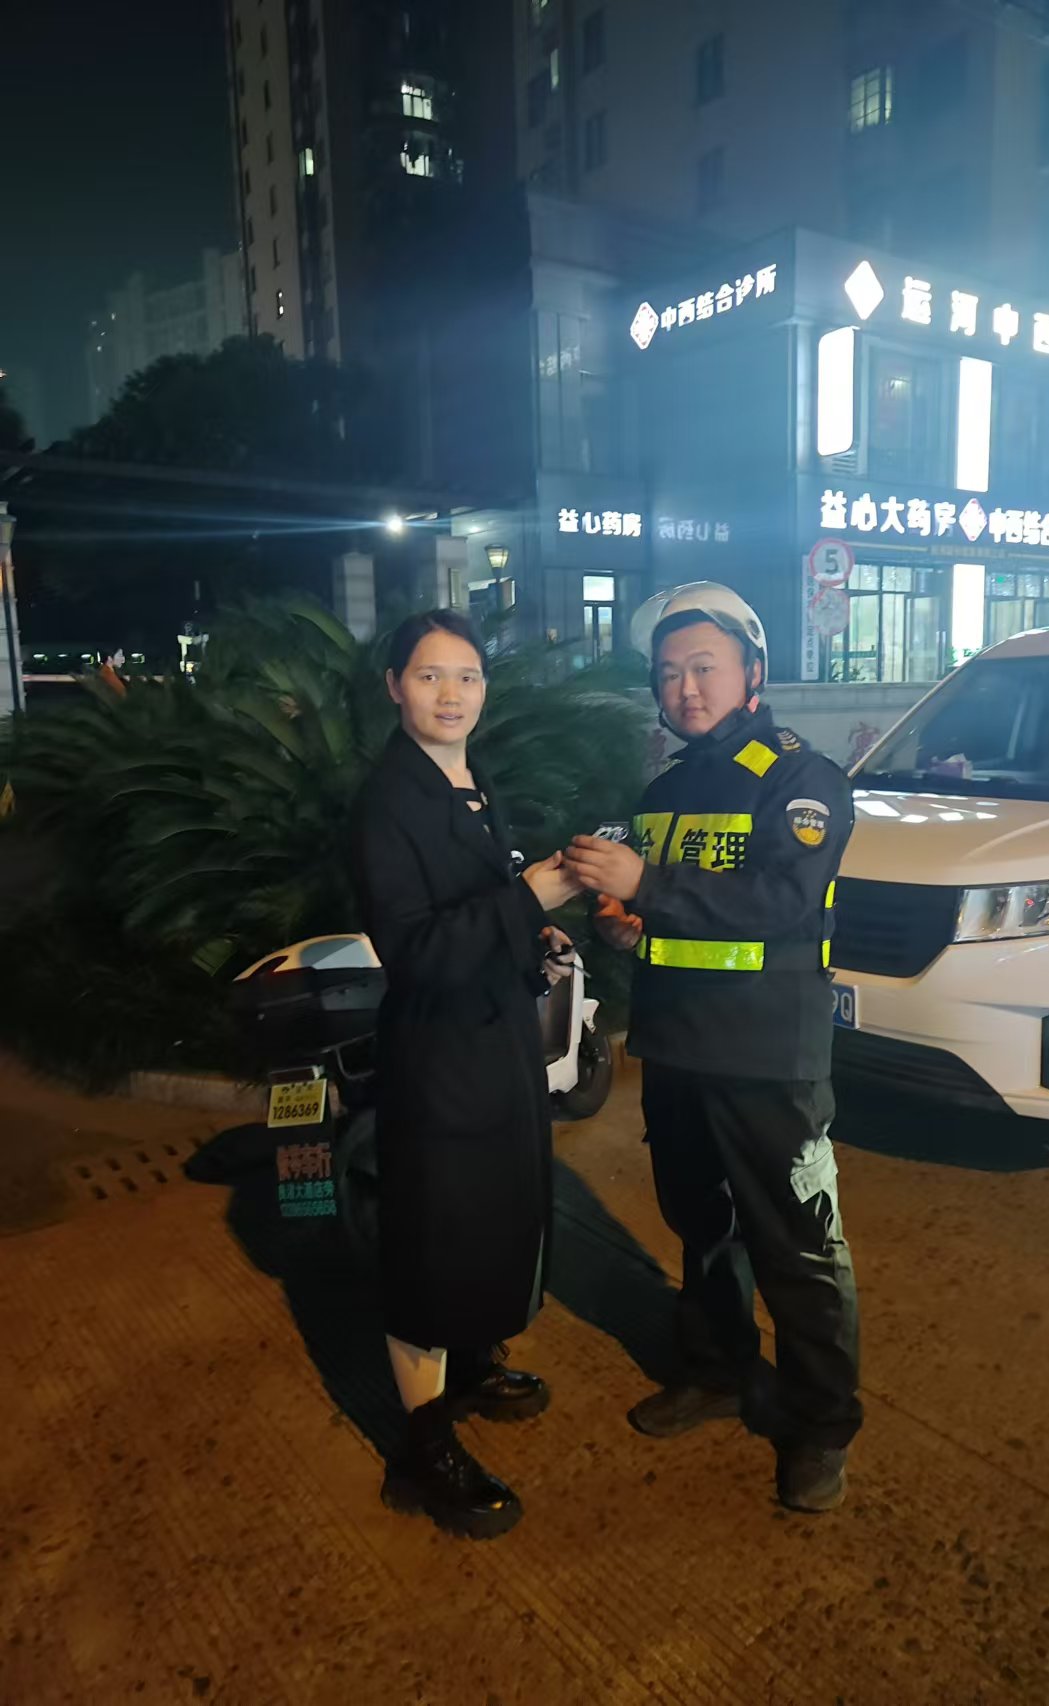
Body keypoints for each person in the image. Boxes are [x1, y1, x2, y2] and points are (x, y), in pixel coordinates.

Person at [565, 582, 861, 1514]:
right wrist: (625, 925)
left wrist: (647, 883)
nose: (685, 688)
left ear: (751, 673)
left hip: (768, 1054)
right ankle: (719, 1369)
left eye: (704, 667)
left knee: (798, 1250)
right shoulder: (663, 792)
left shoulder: (800, 779)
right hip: (677, 1047)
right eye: (667, 673)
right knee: (703, 1231)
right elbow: (668, 915)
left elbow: (780, 901)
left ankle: (820, 1425)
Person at [350, 610, 580, 1538]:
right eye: (430, 676)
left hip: (498, 1044)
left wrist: (538, 930)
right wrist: (527, 898)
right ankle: (422, 1445)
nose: (452, 695)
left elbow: (483, 908)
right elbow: (415, 953)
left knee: (496, 1211)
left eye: (469, 676)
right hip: (439, 1054)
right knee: (433, 1241)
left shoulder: (472, 781)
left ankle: (474, 1364)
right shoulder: (385, 804)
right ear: (393, 687)